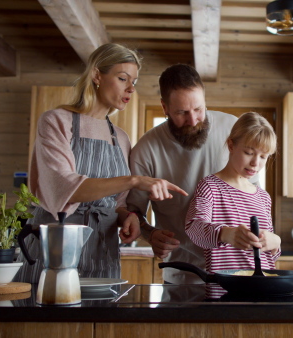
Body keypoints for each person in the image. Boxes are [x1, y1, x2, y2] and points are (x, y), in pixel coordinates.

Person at [15, 43, 186, 283]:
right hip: (54, 250)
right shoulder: (56, 122)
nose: (130, 89)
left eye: (133, 82)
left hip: (102, 253)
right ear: (97, 75)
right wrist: (135, 180)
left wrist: (128, 216)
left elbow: (116, 203)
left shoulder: (121, 137)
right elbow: (64, 186)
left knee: (97, 318)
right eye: (123, 78)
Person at [127, 64, 258, 284]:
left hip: (237, 273)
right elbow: (133, 213)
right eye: (182, 112)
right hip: (181, 276)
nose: (193, 120)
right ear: (164, 107)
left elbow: (252, 197)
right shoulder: (145, 150)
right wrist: (150, 235)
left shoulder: (233, 130)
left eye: (198, 109)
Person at [185, 112, 281, 276]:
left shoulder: (263, 197)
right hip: (224, 292)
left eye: (263, 156)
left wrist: (276, 243)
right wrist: (224, 234)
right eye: (249, 153)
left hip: (263, 291)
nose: (255, 163)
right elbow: (193, 228)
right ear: (231, 146)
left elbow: (270, 256)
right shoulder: (210, 187)